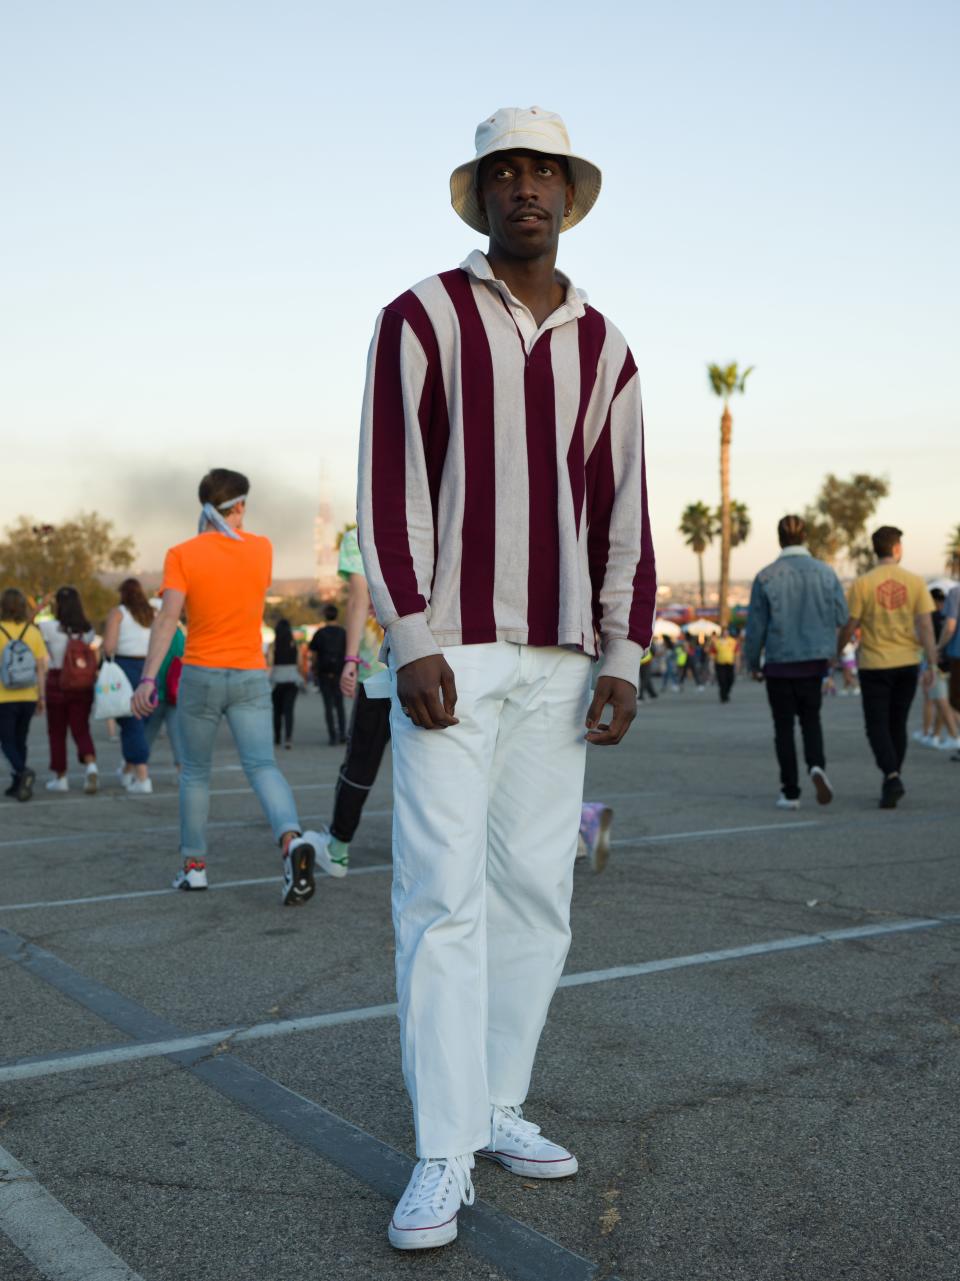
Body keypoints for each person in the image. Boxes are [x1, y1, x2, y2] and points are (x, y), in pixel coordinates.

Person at [358, 106, 654, 1250]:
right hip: (456, 648)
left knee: (539, 890)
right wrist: (411, 633)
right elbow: (390, 480)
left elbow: (623, 507)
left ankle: (495, 1107)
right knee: (441, 895)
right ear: (480, 195)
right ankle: (441, 1154)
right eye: (505, 171)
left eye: (544, 172)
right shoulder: (420, 316)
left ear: (568, 198)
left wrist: (625, 650)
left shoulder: (609, 346)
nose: (525, 187)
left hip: (564, 653)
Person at [130, 469, 320, 902]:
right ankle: (292, 841)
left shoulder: (182, 553)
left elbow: (167, 618)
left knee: (195, 774)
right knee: (262, 766)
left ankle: (194, 867)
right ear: (238, 507)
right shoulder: (263, 549)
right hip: (251, 673)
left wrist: (147, 678)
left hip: (200, 672)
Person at [744, 515, 849, 809]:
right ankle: (816, 765)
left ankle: (790, 791)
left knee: (783, 727)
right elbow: (842, 615)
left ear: (779, 539)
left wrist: (753, 662)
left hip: (779, 664)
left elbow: (755, 628)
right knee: (811, 720)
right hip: (815, 662)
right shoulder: (826, 573)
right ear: (805, 538)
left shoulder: (765, 576)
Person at [837, 525, 937, 808]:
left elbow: (850, 624)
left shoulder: (863, 583)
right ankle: (892, 778)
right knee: (897, 724)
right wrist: (931, 662)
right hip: (907, 662)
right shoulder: (916, 582)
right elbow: (926, 626)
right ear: (896, 549)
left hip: (874, 663)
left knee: (876, 725)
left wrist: (836, 651)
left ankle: (891, 776)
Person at [313, 525, 389, 877]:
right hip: (433, 663)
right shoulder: (432, 517)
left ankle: (338, 848)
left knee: (361, 762)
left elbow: (359, 600)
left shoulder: (362, 533)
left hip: (379, 670)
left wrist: (350, 660)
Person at [38, 587, 99, 793]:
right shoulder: (88, 630)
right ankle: (91, 765)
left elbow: (26, 627)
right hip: (82, 683)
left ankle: (60, 777)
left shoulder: (49, 627)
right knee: (81, 728)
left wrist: (41, 605)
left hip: (57, 681)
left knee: (57, 732)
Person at [102, 578, 155, 794]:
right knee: (140, 722)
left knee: (130, 723)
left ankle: (143, 778)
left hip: (125, 668)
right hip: (150, 668)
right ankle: (126, 771)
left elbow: (109, 647)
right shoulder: (152, 614)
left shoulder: (118, 613)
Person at [0, 588, 48, 801]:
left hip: (4, 696)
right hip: (28, 694)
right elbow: (41, 667)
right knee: (21, 740)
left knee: (6, 741)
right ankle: (18, 785)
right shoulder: (33, 632)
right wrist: (42, 697)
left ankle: (22, 772)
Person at [142, 617, 185, 769]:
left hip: (156, 692)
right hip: (174, 693)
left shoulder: (157, 635)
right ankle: (182, 772)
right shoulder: (181, 636)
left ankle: (138, 770)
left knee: (148, 733)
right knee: (177, 736)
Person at [309, 603, 347, 745]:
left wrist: (314, 669)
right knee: (340, 704)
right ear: (337, 615)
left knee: (328, 705)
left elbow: (313, 654)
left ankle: (332, 736)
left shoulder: (319, 633)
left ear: (325, 616)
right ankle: (343, 734)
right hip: (339, 673)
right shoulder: (343, 633)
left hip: (324, 674)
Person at [269, 618, 301, 750]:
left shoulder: (273, 645)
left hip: (277, 681)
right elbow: (298, 664)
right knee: (289, 711)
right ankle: (288, 739)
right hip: (292, 680)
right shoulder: (294, 645)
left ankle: (276, 738)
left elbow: (269, 664)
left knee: (277, 711)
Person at [712, 627, 738, 703]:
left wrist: (737, 663)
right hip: (720, 664)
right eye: (724, 633)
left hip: (730, 663)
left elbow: (737, 653)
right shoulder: (717, 642)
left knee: (730, 679)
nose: (725, 634)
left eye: (726, 632)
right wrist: (712, 663)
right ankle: (723, 696)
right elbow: (713, 654)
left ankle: (726, 692)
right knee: (722, 680)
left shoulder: (733, 641)